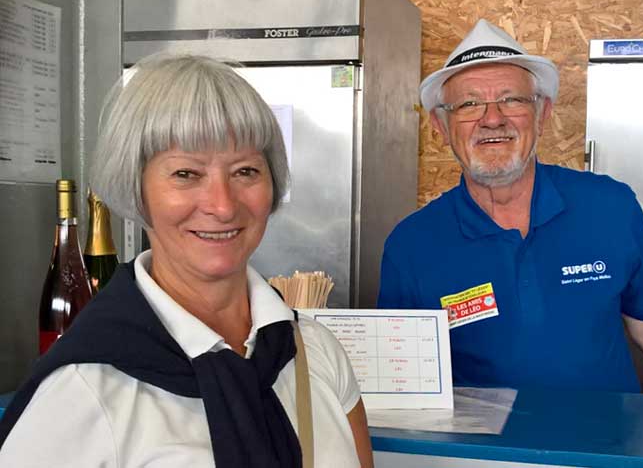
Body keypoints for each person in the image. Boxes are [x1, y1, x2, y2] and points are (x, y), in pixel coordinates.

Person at [0, 54, 374, 468]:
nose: (223, 205)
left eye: (245, 171)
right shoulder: (82, 390)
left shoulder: (317, 353)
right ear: (136, 188)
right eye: (186, 174)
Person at [377, 19, 643, 397]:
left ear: (542, 114)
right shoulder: (411, 246)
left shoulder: (609, 208)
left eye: (512, 99)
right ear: (441, 126)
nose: (492, 118)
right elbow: (401, 381)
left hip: (607, 435)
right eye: (469, 104)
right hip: (483, 439)